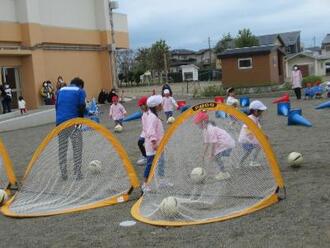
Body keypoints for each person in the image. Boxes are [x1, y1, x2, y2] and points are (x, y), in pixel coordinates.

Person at [56, 77, 86, 180]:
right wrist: (81, 121)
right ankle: (77, 173)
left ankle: (63, 173)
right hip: (74, 122)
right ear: (80, 85)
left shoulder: (60, 91)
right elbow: (82, 107)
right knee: (77, 147)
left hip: (60, 123)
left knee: (62, 148)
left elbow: (57, 107)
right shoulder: (80, 91)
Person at [194, 111, 235, 180]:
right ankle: (223, 171)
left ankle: (224, 173)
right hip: (222, 144)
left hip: (227, 144)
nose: (197, 125)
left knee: (216, 156)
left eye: (198, 123)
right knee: (215, 156)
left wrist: (211, 154)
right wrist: (203, 155)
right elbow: (207, 143)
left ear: (203, 122)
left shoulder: (211, 129)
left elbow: (213, 143)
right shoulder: (205, 130)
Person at [142, 95, 168, 192]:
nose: (162, 105)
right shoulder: (152, 117)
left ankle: (162, 181)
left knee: (161, 162)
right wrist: (154, 143)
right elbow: (150, 131)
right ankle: (145, 184)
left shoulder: (153, 115)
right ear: (157, 106)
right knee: (150, 164)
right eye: (161, 104)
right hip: (153, 146)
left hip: (159, 145)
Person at [238, 100, 267, 167]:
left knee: (257, 147)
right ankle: (241, 163)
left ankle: (252, 161)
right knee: (247, 152)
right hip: (246, 139)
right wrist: (250, 135)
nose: (262, 112)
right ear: (255, 111)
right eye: (261, 111)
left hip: (251, 139)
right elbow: (246, 127)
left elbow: (258, 128)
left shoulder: (256, 118)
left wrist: (263, 135)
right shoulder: (250, 118)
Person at [136, 96, 148, 166]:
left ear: (146, 104)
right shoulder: (144, 113)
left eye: (141, 105)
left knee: (141, 143)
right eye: (140, 106)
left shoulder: (150, 113)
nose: (140, 107)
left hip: (148, 132)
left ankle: (147, 158)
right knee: (140, 143)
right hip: (144, 132)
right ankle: (145, 156)